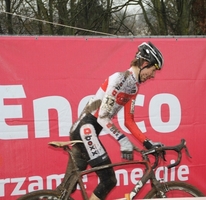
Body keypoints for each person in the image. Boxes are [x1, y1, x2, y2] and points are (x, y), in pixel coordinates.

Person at [63, 42, 164, 200]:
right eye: (153, 69)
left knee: (66, 189)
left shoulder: (133, 87)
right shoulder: (120, 79)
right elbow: (103, 116)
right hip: (85, 129)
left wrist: (147, 142)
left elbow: (129, 121)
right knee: (108, 180)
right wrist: (123, 140)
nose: (153, 75)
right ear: (145, 63)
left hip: (86, 131)